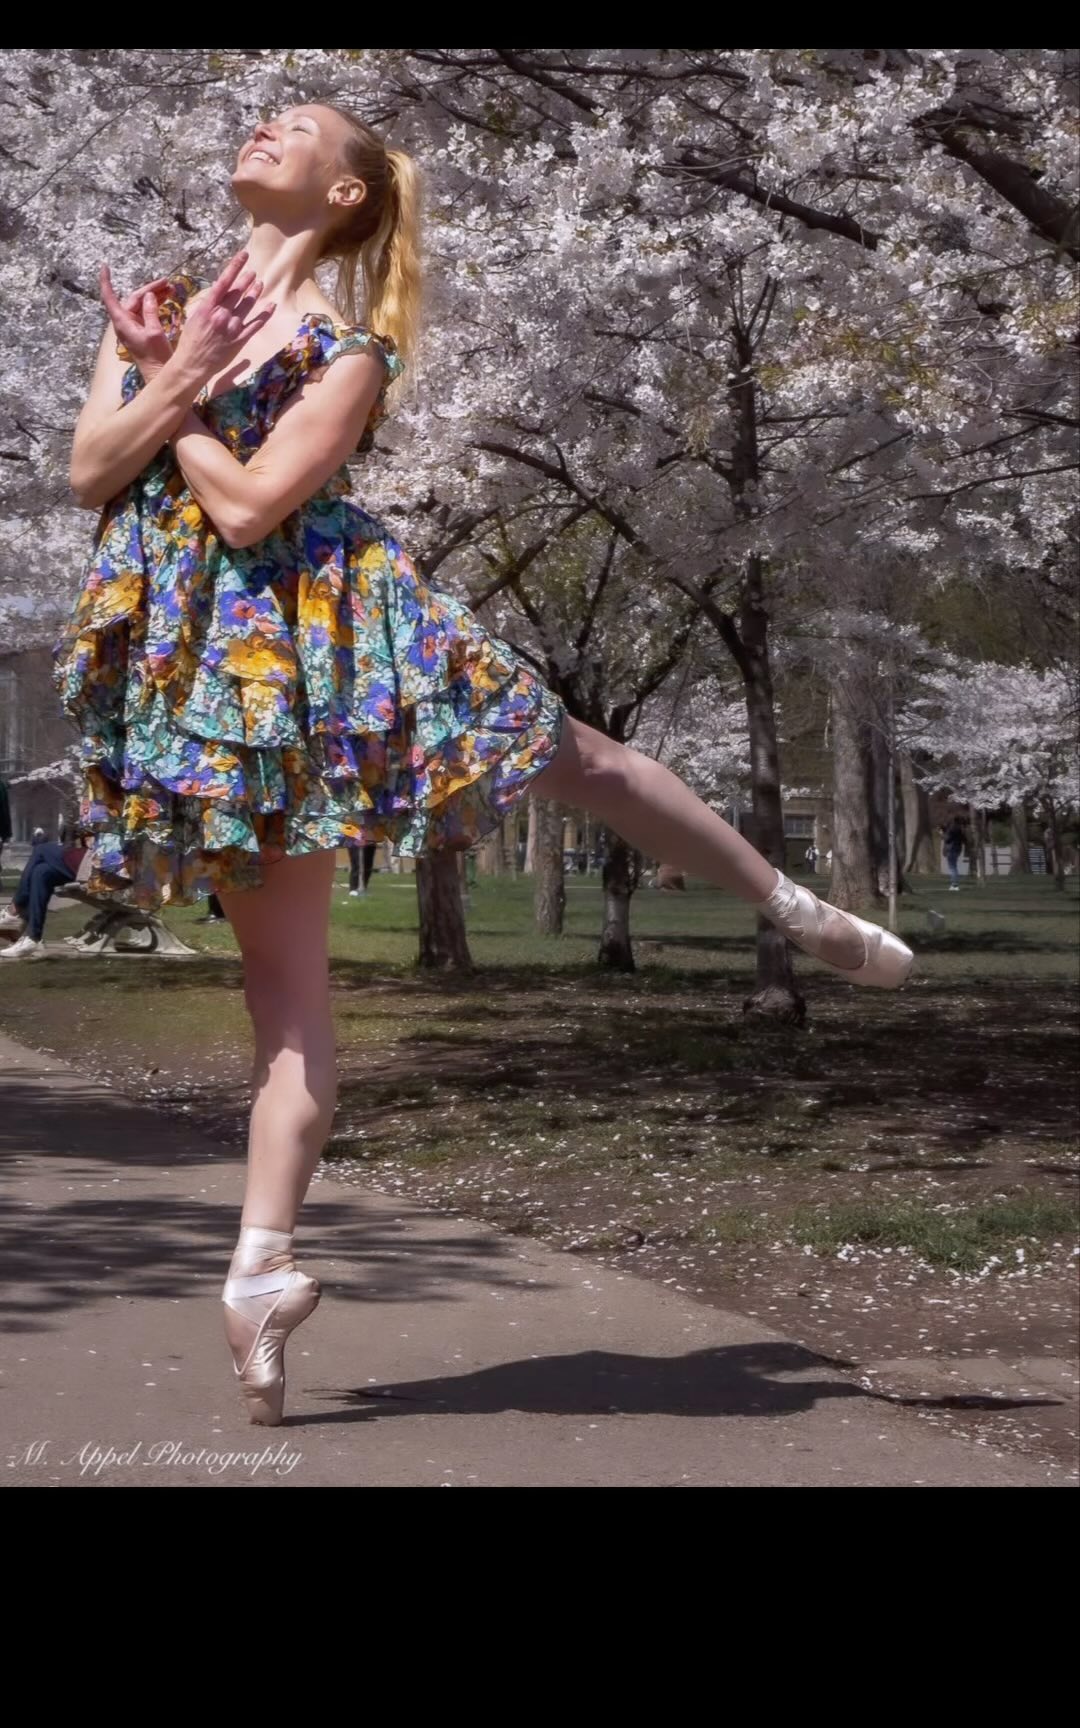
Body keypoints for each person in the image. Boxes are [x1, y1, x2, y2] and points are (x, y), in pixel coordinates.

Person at [53, 100, 914, 1426]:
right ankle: (260, 1274)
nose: (265, 129)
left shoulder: (351, 350)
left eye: (300, 127)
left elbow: (246, 505)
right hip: (217, 676)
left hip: (341, 633)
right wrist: (167, 370)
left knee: (579, 756)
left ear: (343, 196)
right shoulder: (161, 307)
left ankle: (790, 907)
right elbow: (85, 471)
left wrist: (179, 386)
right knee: (284, 1005)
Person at [0, 832, 89, 960]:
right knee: (41, 872)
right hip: (83, 855)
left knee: (41, 849)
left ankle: (14, 911)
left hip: (94, 860)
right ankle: (33, 939)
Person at [942, 818, 965, 891]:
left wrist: (942, 834)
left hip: (951, 849)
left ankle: (954, 885)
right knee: (954, 867)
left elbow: (947, 839)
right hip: (957, 849)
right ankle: (954, 884)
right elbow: (963, 839)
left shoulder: (951, 830)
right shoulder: (960, 830)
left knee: (952, 867)